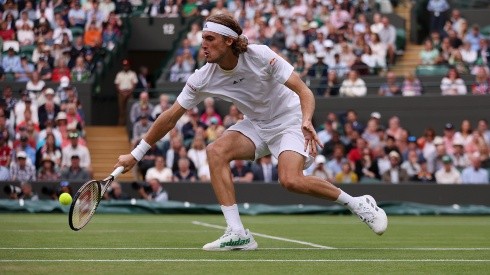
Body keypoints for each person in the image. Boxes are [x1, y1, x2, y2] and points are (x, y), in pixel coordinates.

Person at [114, 14, 388, 251]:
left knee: (290, 181)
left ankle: (357, 203)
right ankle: (238, 233)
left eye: (210, 39)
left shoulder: (262, 55)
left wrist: (306, 120)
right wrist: (137, 154)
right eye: (203, 39)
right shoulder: (203, 77)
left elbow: (303, 90)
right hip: (256, 124)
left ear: (229, 41)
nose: (204, 45)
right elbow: (170, 116)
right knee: (216, 151)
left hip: (290, 120)